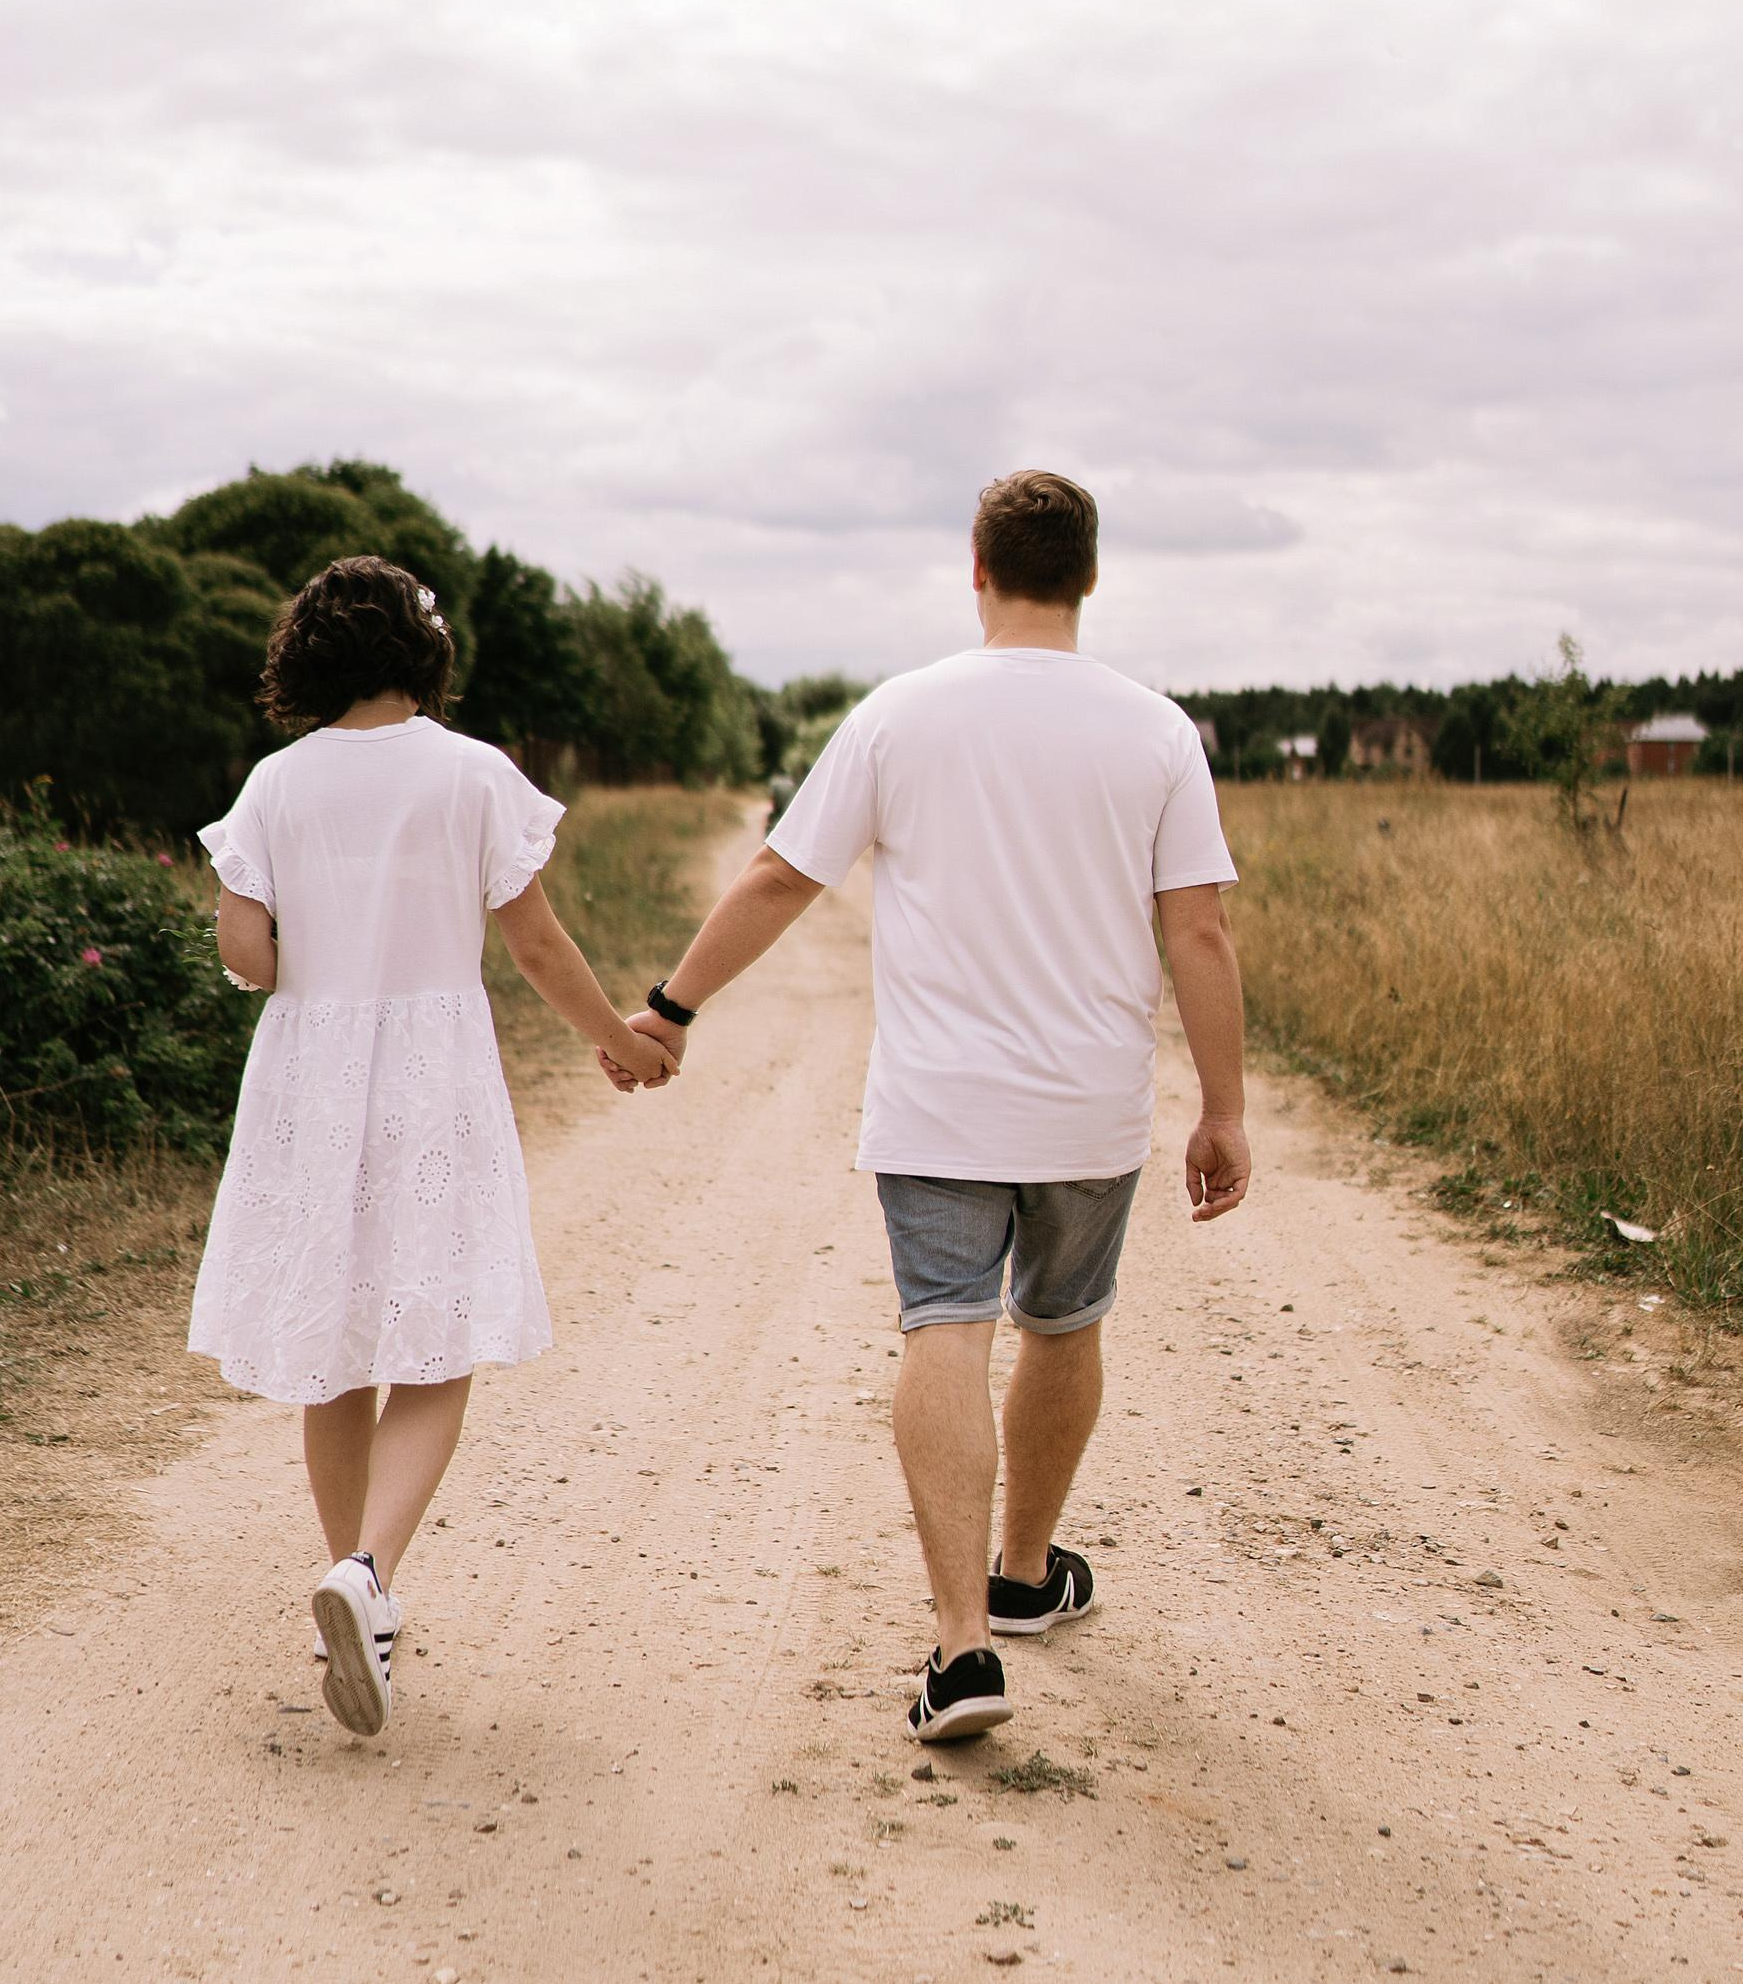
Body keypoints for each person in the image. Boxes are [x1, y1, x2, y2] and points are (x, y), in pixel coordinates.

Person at [603, 470, 1249, 1743]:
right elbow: (1200, 928)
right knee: (1062, 1327)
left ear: (976, 564)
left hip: (940, 1103)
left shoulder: (899, 715)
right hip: (1088, 1108)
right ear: (1091, 574)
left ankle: (961, 1649)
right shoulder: (1156, 731)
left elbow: (783, 876)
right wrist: (1222, 1106)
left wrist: (670, 1007)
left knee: (943, 1328)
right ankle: (1022, 1575)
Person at [189, 555, 674, 1740]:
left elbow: (247, 954)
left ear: (310, 654)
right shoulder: (472, 774)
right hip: (428, 1071)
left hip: (309, 1074)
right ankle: (367, 1573)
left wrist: (303, 925)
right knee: (437, 1328)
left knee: (332, 1341)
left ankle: (347, 1591)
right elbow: (536, 941)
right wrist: (618, 1038)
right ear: (423, 651)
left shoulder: (274, 783)